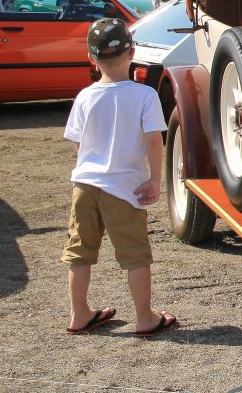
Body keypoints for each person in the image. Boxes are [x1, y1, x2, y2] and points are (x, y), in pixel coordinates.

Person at [61, 18, 177, 338]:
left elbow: (81, 143)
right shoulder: (144, 95)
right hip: (124, 189)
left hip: (85, 184)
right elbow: (153, 140)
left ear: (91, 58)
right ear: (133, 53)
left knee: (80, 253)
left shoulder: (85, 96)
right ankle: (145, 317)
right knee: (135, 256)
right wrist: (154, 180)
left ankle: (78, 313)